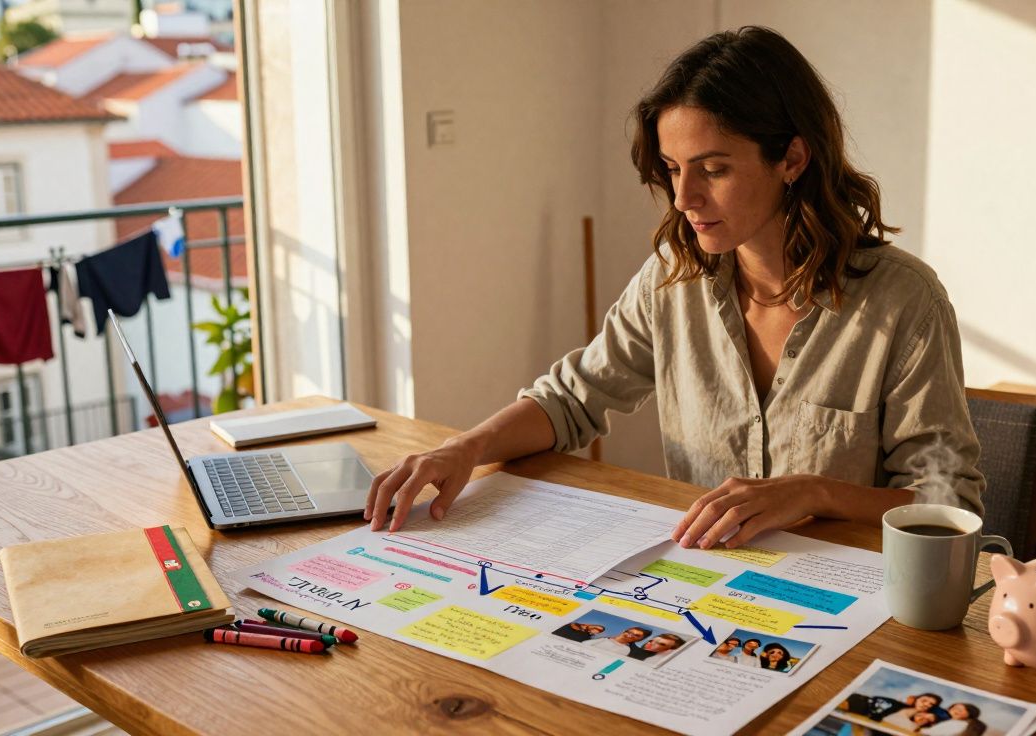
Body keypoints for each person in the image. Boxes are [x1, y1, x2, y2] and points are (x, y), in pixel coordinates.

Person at [364, 26, 984, 544]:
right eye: (672, 168)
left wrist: (814, 492)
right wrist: (463, 449)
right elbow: (572, 400)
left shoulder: (904, 301)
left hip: (852, 602)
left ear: (792, 159)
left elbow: (947, 502)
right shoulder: (673, 278)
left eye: (714, 169)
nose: (684, 198)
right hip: (703, 583)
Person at [582, 626, 650, 656]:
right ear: (624, 631)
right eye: (629, 632)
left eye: (637, 635)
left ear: (640, 639)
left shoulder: (625, 649)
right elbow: (583, 644)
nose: (630, 635)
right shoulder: (602, 638)